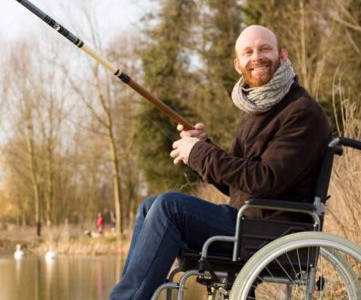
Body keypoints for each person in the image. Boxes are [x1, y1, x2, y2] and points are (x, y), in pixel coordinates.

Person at [110, 25, 331, 299]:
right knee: (149, 206)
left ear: (282, 55)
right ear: (238, 65)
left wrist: (201, 154)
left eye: (264, 49)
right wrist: (204, 148)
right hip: (247, 221)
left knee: (170, 207)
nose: (256, 57)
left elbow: (265, 179)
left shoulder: (301, 112)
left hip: (272, 232)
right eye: (248, 52)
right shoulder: (257, 108)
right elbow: (239, 184)